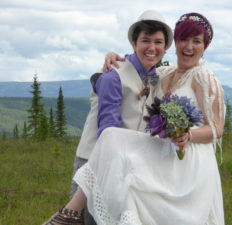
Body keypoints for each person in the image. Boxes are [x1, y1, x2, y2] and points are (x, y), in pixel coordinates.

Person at [44, 12, 225, 225]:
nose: (189, 47)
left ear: (206, 46)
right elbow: (119, 77)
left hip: (183, 161)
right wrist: (111, 61)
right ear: (174, 43)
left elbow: (217, 128)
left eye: (197, 41)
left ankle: (67, 214)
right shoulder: (164, 73)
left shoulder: (203, 77)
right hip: (119, 157)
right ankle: (69, 215)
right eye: (184, 39)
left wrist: (188, 134)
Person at [43, 10, 173, 225]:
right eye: (145, 41)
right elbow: (108, 131)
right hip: (94, 161)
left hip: (130, 165)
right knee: (85, 220)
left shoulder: (159, 77)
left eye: (158, 42)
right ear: (133, 42)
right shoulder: (113, 74)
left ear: (166, 47)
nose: (152, 48)